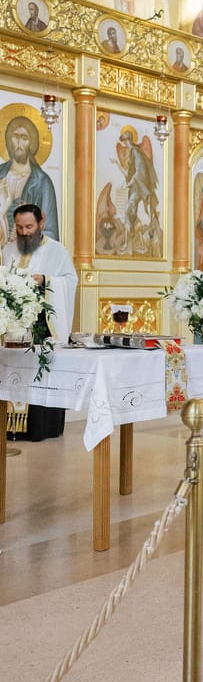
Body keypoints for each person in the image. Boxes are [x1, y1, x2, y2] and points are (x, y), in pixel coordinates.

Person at [3, 203, 77, 440]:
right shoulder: (8, 250)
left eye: (29, 226)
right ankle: (11, 428)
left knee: (41, 371)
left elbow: (70, 280)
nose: (24, 232)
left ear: (41, 222)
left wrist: (46, 280)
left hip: (43, 324)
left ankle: (41, 429)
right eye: (20, 227)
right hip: (14, 325)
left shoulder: (57, 250)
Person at [0, 116, 59, 243]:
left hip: (26, 257)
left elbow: (51, 234)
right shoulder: (1, 174)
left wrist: (26, 235)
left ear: (32, 144)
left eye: (24, 138)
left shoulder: (42, 182)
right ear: (9, 140)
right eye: (15, 136)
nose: (19, 143)